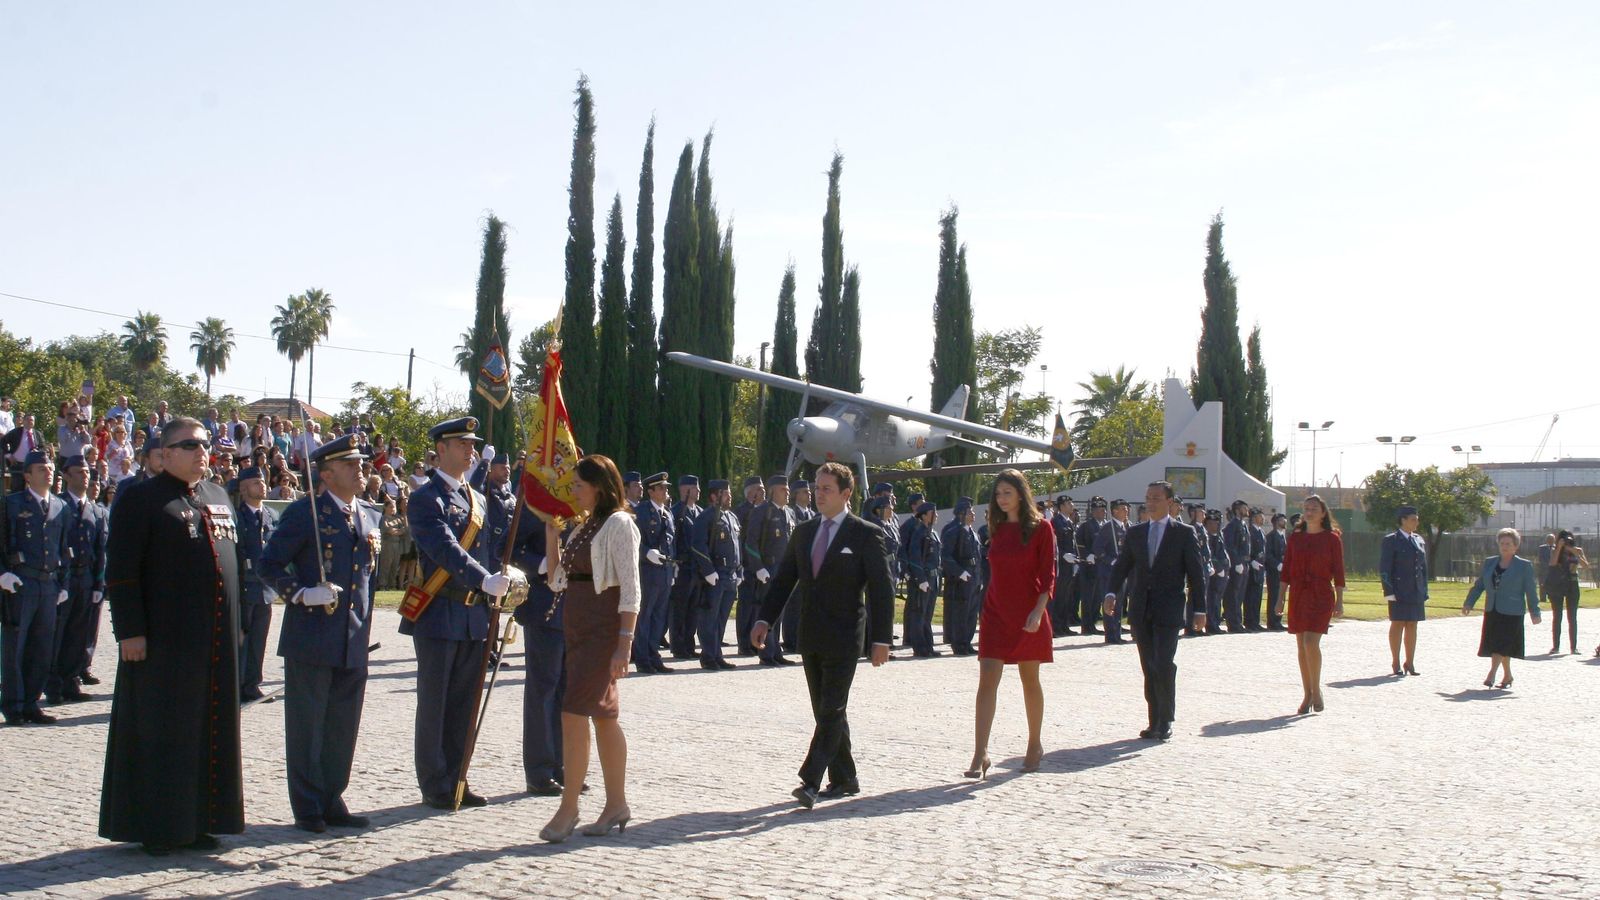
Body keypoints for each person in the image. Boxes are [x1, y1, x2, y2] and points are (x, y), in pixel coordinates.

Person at [99, 418, 244, 855]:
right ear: (164, 454)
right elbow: (121, 572)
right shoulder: (141, 499)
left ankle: (201, 819)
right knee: (164, 732)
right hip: (162, 641)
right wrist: (130, 632)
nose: (202, 452)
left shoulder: (218, 496)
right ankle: (160, 826)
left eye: (205, 445)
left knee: (209, 729)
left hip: (212, 640)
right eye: (189, 445)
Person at [751, 462, 893, 808]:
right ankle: (845, 777)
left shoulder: (865, 533)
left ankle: (811, 780)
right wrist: (764, 620)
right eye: (817, 487)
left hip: (846, 635)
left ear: (846, 494)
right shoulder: (804, 531)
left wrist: (881, 639)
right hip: (811, 633)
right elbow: (785, 579)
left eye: (827, 489)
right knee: (826, 710)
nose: (819, 494)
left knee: (832, 708)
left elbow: (882, 589)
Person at [259, 434, 381, 833]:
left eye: (360, 462)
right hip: (312, 634)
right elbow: (269, 563)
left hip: (352, 637)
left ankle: (332, 797)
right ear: (326, 474)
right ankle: (308, 805)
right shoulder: (306, 512)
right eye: (349, 464)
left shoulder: (366, 514)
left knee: (342, 724)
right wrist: (299, 593)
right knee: (308, 724)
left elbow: (367, 578)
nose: (359, 468)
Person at [401, 417, 517, 810]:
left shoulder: (479, 498)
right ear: (441, 449)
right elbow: (445, 549)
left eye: (472, 445)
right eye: (462, 444)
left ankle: (457, 778)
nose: (471, 451)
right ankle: (434, 781)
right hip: (439, 610)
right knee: (435, 703)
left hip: (473, 617)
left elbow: (491, 546)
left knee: (464, 702)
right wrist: (483, 579)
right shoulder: (425, 497)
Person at [539, 455, 641, 843]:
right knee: (603, 716)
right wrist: (552, 539)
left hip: (602, 633)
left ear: (598, 486)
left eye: (579, 484)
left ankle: (568, 808)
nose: (574, 491)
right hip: (577, 630)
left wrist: (624, 644)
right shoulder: (584, 525)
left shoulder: (618, 524)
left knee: (572, 712)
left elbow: (631, 588)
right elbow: (557, 581)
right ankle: (616, 803)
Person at [968, 470, 1057, 778]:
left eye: (1007, 492)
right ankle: (980, 752)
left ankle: (1034, 743)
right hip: (995, 612)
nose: (1001, 499)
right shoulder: (995, 526)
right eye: (998, 494)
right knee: (986, 681)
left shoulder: (1041, 528)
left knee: (1029, 680)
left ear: (1021, 493)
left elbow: (1048, 575)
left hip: (1028, 613)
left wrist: (1038, 610)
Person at [1102, 482, 1206, 742]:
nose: (1151, 502)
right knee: (1149, 666)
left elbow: (1196, 573)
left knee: (1163, 663)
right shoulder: (1136, 533)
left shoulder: (1184, 532)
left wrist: (1200, 609)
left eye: (1157, 498)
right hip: (1141, 609)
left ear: (1170, 502)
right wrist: (1111, 593)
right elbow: (1122, 566)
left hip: (1169, 610)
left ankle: (1166, 718)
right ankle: (1153, 720)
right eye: (1148, 498)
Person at [1, 450, 70, 724]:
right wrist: (3, 574)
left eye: (51, 467)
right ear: (28, 476)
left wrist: (62, 582)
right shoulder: (11, 504)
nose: (48, 471)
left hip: (48, 584)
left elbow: (64, 548)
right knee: (16, 648)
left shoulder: (60, 506)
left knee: (42, 648)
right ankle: (14, 706)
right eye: (41, 468)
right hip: (21, 583)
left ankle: (31, 702)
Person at [45, 455, 107, 705]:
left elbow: (100, 549)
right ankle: (53, 685)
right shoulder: (58, 506)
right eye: (79, 472)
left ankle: (71, 681)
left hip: (86, 577)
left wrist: (98, 583)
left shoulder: (96, 510)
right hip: (64, 578)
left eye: (87, 472)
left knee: (79, 633)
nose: (85, 476)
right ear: (67, 476)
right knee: (58, 633)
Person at [1277, 494, 1346, 715]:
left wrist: (1340, 601)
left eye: (1314, 508)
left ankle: (1316, 691)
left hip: (1321, 594)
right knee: (1301, 645)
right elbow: (1286, 570)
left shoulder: (1332, 539)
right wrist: (1280, 598)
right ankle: (1307, 694)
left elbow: (1339, 572)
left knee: (1310, 642)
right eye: (1306, 508)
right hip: (1299, 594)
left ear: (1323, 513)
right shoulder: (1295, 538)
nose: (1309, 512)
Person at [1463, 528, 1542, 689]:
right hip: (1493, 610)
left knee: (1502, 643)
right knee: (1499, 645)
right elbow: (1479, 586)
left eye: (1508, 544)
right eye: (1502, 543)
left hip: (1513, 611)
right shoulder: (1490, 562)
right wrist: (1469, 603)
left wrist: (1535, 612)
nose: (1504, 546)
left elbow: (1531, 591)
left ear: (1515, 546)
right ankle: (1507, 676)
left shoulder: (1524, 566)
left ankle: (1491, 674)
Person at [231, 466, 277, 702]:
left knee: (259, 639)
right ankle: (236, 685)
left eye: (263, 481)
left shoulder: (269, 515)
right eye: (256, 482)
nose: (262, 485)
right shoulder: (236, 516)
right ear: (244, 488)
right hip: (244, 586)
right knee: (242, 640)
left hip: (265, 589)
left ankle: (252, 684)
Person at [748, 474, 798, 667]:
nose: (787, 493)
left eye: (787, 489)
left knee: (780, 611)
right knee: (768, 610)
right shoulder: (762, 511)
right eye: (783, 490)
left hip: (785, 570)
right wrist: (758, 567)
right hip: (769, 569)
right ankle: (766, 653)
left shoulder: (790, 513)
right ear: (772, 491)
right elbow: (751, 542)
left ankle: (775, 650)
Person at [691, 478, 741, 670]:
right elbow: (698, 545)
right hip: (715, 575)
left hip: (730, 575)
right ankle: (708, 656)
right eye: (725, 493)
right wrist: (709, 571)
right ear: (714, 496)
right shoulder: (706, 517)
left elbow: (737, 547)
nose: (729, 496)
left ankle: (717, 653)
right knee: (709, 618)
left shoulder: (731, 517)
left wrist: (740, 569)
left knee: (721, 619)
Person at [632, 472, 676, 674]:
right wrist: (646, 553)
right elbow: (633, 542)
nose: (666, 490)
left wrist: (673, 567)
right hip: (648, 572)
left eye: (666, 487)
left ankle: (653, 655)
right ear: (650, 491)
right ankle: (642, 658)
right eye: (661, 488)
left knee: (659, 616)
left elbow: (670, 542)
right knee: (645, 616)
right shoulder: (641, 512)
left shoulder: (667, 513)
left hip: (664, 572)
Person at [1379, 505, 1428, 676]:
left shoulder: (1419, 540)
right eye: (1413, 519)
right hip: (1399, 589)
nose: (1416, 522)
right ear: (1403, 520)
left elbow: (1423, 568)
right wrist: (1388, 591)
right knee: (1398, 623)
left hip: (1415, 590)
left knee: (1413, 625)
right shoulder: (1391, 540)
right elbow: (1385, 567)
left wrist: (1424, 590)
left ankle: (1410, 662)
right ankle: (1396, 661)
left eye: (1417, 518)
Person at [667, 475, 702, 659]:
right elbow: (672, 540)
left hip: (696, 568)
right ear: (684, 490)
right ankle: (678, 645)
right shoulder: (675, 512)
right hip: (682, 567)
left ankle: (689, 643)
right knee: (679, 609)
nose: (698, 492)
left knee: (693, 609)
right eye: (694, 488)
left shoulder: (699, 512)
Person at [941, 499, 982, 656]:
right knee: (961, 612)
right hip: (962, 579)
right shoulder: (954, 532)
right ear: (961, 514)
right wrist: (960, 572)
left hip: (974, 577)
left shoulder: (973, 533)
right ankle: (958, 644)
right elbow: (946, 557)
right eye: (969, 512)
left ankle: (967, 642)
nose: (972, 514)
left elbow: (978, 557)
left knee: (971, 612)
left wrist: (980, 578)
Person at [902, 501, 942, 658]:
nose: (936, 516)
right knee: (919, 613)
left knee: (927, 614)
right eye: (933, 513)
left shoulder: (932, 532)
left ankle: (928, 646)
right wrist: (920, 579)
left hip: (933, 578)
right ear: (924, 516)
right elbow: (914, 557)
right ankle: (920, 647)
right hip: (923, 578)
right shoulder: (919, 532)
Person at [733, 475, 766, 656]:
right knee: (746, 605)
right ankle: (743, 643)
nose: (762, 491)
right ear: (750, 492)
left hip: (762, 566)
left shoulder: (765, 510)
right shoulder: (742, 511)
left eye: (762, 488)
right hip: (747, 565)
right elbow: (741, 541)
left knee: (758, 606)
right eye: (758, 489)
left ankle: (755, 642)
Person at [1544, 530, 1589, 655]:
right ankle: (1555, 646)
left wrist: (1577, 554)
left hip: (1572, 584)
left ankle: (1573, 647)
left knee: (1572, 617)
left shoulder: (1578, 550)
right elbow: (1552, 564)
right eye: (1564, 540)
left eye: (1569, 540)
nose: (1567, 542)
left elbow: (1586, 566)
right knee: (1557, 616)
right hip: (1558, 585)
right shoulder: (1555, 550)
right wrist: (1559, 547)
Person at [1094, 498, 1131, 643]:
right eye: (1123, 508)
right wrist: (1111, 560)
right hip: (1109, 572)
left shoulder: (1124, 527)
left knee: (1120, 602)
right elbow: (1098, 549)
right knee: (1111, 601)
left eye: (1127, 508)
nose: (1126, 511)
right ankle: (1110, 634)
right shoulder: (1108, 527)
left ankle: (1117, 633)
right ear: (1115, 511)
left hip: (1121, 571)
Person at [1074, 498, 1106, 635]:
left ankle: (1092, 623)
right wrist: (1087, 555)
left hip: (1100, 566)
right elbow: (1079, 543)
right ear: (1093, 512)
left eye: (1104, 510)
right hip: (1088, 567)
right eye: (1100, 510)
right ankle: (1086, 626)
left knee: (1097, 597)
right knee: (1088, 597)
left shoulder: (1105, 525)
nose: (1103, 512)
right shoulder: (1086, 526)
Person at [1202, 510, 1230, 634]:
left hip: (1222, 574)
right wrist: (1218, 568)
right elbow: (1210, 555)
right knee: (1212, 599)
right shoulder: (1208, 537)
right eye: (1212, 523)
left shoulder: (1218, 536)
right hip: (1214, 573)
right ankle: (1211, 624)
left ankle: (1215, 623)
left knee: (1217, 599)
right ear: (1207, 525)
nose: (1215, 526)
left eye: (1216, 523)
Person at [1264, 513, 1288, 631]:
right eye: (1282, 520)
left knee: (1281, 596)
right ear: (1276, 522)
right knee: (1274, 596)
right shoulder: (1271, 536)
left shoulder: (1282, 536)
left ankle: (1278, 620)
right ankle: (1272, 622)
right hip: (1274, 571)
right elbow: (1268, 554)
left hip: (1282, 571)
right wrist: (1277, 564)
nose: (1284, 522)